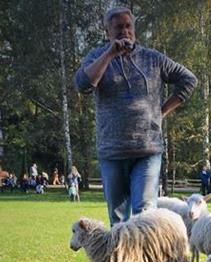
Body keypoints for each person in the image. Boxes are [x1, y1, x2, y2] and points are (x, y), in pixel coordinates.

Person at [75, 5, 197, 226]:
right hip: (112, 151)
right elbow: (83, 84)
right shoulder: (97, 57)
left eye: (128, 26)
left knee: (145, 214)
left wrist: (162, 112)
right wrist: (110, 54)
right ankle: (124, 261)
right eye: (118, 27)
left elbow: (188, 80)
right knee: (118, 218)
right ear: (107, 32)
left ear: (134, 29)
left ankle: (146, 261)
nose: (125, 31)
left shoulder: (153, 59)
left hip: (147, 150)